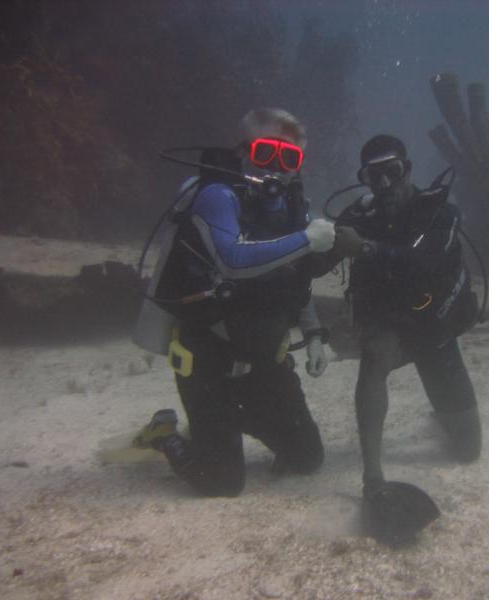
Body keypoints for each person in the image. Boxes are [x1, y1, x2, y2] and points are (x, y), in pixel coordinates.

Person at [132, 108, 336, 497]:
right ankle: (165, 433)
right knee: (221, 482)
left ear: (298, 167)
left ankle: (230, 421)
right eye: (265, 153)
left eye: (289, 158)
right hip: (209, 366)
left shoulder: (296, 211)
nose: (276, 168)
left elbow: (298, 278)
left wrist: (312, 334)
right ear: (243, 152)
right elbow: (233, 260)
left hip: (263, 363)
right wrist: (308, 239)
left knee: (307, 458)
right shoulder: (216, 196)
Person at [332, 134, 482, 544]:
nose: (384, 185)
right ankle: (373, 480)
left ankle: (442, 417)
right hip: (393, 332)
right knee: (374, 357)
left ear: (408, 169)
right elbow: (320, 252)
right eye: (372, 176)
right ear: (363, 179)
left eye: (392, 172)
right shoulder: (360, 217)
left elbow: (427, 262)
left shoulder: (440, 213)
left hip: (434, 333)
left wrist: (364, 248)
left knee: (468, 450)